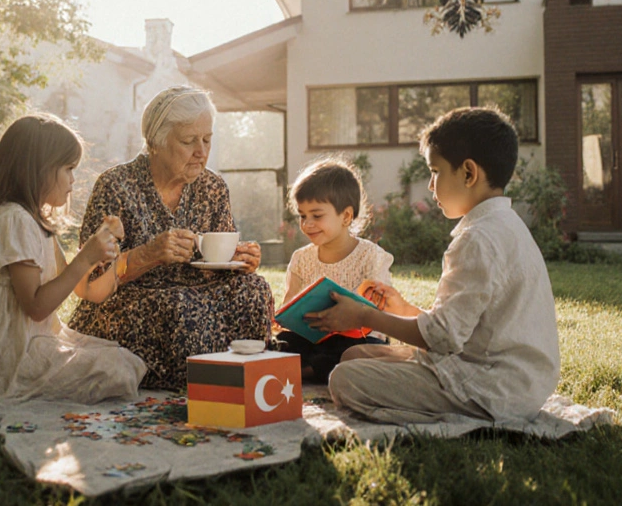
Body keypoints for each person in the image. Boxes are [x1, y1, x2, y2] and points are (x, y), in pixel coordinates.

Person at [308, 107, 560, 424]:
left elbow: (442, 338)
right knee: (354, 355)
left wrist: (363, 314)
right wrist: (402, 308)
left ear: (468, 173)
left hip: (491, 388)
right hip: (506, 376)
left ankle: (444, 416)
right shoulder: (504, 225)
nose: (430, 184)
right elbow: (459, 327)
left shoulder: (477, 239)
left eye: (436, 171)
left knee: (345, 379)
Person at [67, 86, 271, 389]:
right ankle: (204, 380)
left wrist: (240, 260)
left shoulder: (212, 187)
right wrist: (147, 255)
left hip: (198, 296)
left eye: (207, 139)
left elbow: (219, 256)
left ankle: (245, 377)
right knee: (178, 307)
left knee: (254, 290)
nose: (201, 151)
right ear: (156, 143)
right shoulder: (116, 185)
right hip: (130, 302)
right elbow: (90, 280)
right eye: (189, 141)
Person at [0, 113, 146, 403]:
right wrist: (85, 259)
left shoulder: (36, 223)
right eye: (68, 169)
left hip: (22, 344)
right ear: (38, 170)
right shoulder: (14, 220)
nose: (73, 179)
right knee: (118, 370)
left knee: (121, 359)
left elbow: (85, 290)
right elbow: (36, 307)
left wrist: (110, 256)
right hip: (0, 360)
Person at [275, 159, 393, 383]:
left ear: (346, 216)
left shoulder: (371, 256)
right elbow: (290, 304)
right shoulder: (301, 259)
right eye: (302, 215)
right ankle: (311, 369)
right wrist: (283, 318)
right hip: (315, 339)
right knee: (283, 341)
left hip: (358, 337)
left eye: (317, 216)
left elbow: (380, 312)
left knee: (351, 353)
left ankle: (305, 372)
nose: (307, 223)